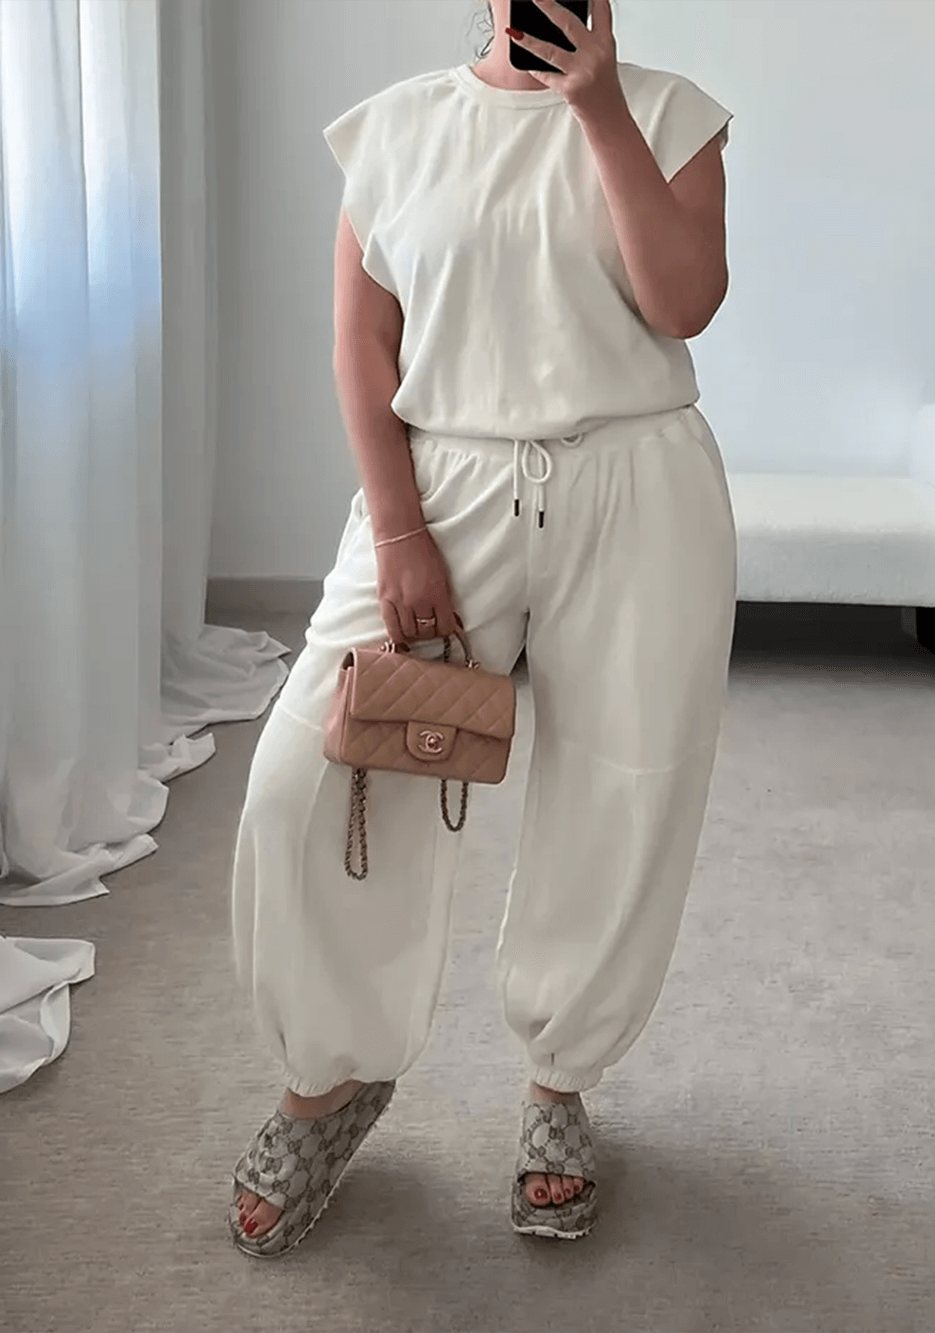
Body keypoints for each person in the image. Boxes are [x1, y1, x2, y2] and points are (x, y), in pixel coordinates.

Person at [228, 0, 737, 1256]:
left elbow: (683, 304)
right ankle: (329, 1077)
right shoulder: (395, 129)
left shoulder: (670, 116)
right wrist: (399, 532)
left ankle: (560, 1079)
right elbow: (362, 344)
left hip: (638, 483)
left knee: (623, 789)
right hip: (442, 490)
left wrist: (598, 109)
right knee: (306, 777)